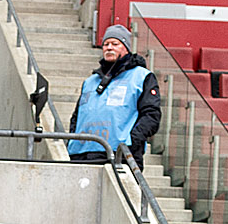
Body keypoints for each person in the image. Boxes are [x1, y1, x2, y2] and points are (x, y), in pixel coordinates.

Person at [68, 23, 162, 166]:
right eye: (105, 44)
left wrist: (132, 141)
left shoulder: (141, 76)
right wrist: (73, 139)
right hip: (82, 154)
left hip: (120, 155)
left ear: (126, 48)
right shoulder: (90, 81)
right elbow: (77, 115)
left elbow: (151, 115)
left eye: (115, 43)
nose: (109, 47)